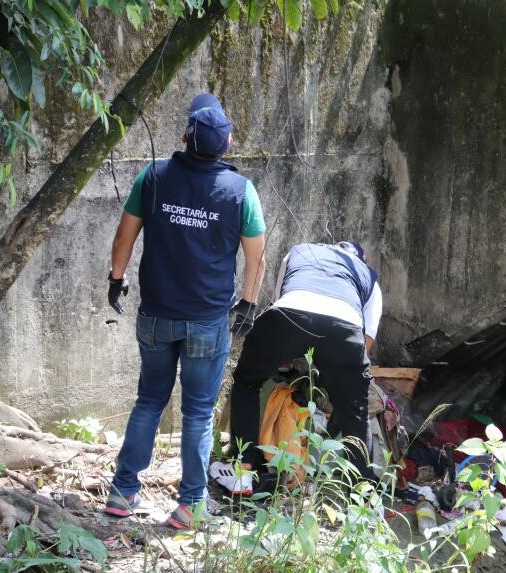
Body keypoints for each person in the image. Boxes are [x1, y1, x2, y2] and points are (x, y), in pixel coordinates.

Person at [103, 93, 266, 529]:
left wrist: (116, 279)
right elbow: (257, 258)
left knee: (149, 401)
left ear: (183, 137)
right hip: (207, 322)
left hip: (156, 316)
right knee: (197, 412)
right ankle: (190, 504)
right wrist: (249, 302)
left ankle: (122, 491)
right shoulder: (241, 192)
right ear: (228, 144)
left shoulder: (153, 177)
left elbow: (123, 237)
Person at [226, 241, 382, 490]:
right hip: (344, 329)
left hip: (288, 315)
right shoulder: (367, 276)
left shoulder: (299, 251)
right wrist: (339, 384)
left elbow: (283, 300)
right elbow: (366, 343)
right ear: (361, 260)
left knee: (247, 382)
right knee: (356, 410)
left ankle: (243, 469)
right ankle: (362, 491)